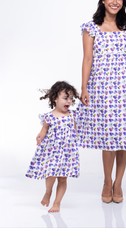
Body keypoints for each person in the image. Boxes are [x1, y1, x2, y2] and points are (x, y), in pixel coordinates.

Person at [77, 0, 126, 204]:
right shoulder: (90, 27)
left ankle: (119, 182)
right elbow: (87, 59)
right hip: (102, 87)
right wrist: (84, 87)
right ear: (103, 0)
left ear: (123, 2)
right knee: (109, 138)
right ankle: (107, 181)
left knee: (123, 138)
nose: (115, 2)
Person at [26, 81, 80, 213]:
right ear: (55, 98)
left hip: (67, 153)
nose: (69, 101)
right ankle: (48, 192)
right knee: (50, 175)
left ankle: (57, 203)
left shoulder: (73, 115)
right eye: (65, 98)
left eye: (71, 98)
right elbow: (43, 131)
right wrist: (40, 136)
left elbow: (76, 131)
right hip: (52, 152)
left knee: (62, 179)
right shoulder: (49, 117)